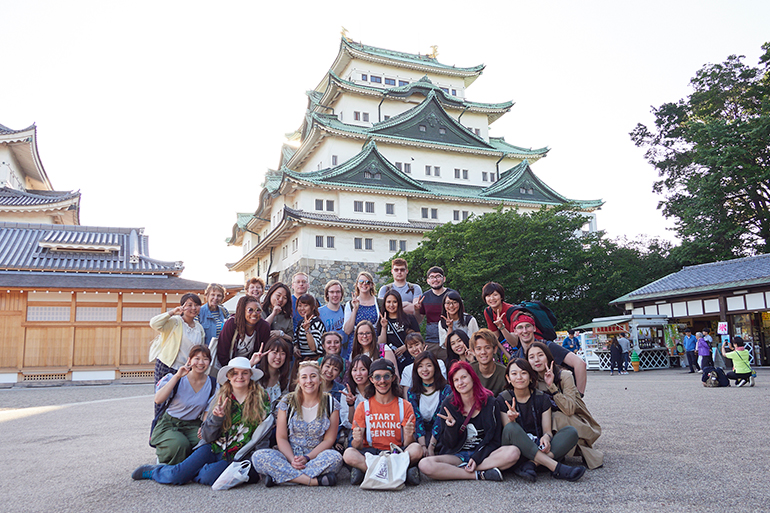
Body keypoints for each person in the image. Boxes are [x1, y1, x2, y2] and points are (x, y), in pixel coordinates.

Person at [132, 357, 271, 485]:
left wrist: (260, 464)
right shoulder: (221, 396)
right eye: (234, 373)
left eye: (244, 373)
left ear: (250, 375)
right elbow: (206, 436)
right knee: (177, 477)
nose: (239, 377)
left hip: (238, 455)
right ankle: (155, 471)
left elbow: (263, 433)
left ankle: (192, 472)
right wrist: (217, 418)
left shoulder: (261, 398)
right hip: (212, 447)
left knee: (208, 477)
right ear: (228, 376)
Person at [418, 361, 518, 482]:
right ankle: (478, 474)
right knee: (424, 464)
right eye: (456, 380)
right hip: (457, 455)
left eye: (464, 377)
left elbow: (494, 439)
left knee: (513, 452)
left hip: (484, 454)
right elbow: (448, 444)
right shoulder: (449, 404)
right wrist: (451, 427)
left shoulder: (490, 402)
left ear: (472, 377)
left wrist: (476, 458)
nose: (460, 383)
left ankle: (464, 470)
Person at [251, 361, 342, 487]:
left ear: (320, 379)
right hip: (289, 456)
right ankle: (314, 481)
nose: (309, 381)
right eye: (304, 377)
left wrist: (307, 457)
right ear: (298, 381)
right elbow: (281, 437)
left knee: (335, 458)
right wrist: (292, 459)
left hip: (315, 457)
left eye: (313, 376)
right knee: (258, 456)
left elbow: (329, 440)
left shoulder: (330, 403)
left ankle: (283, 478)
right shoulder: (287, 402)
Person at [498, 359, 585, 482]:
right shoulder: (503, 399)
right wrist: (511, 420)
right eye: (514, 374)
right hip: (515, 452)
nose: (519, 377)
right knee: (511, 427)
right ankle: (555, 467)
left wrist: (546, 438)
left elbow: (547, 431)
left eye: (523, 373)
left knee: (571, 432)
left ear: (530, 377)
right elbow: (509, 433)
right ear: (508, 378)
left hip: (538, 445)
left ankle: (532, 464)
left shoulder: (541, 398)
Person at [343, 359, 422, 486]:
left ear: (393, 378)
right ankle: (401, 473)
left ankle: (370, 472)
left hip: (396, 453)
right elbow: (356, 446)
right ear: (371, 379)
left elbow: (408, 444)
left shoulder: (405, 406)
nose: (382, 381)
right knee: (348, 454)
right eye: (377, 377)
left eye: (386, 376)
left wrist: (408, 435)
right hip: (371, 453)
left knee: (417, 449)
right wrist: (357, 439)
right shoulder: (363, 407)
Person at [527, 342, 603, 469]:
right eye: (531, 357)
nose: (536, 360)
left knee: (555, 417)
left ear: (548, 356)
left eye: (540, 355)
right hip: (550, 425)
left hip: (576, 421)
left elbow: (569, 409)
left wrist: (552, 387)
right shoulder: (531, 380)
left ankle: (541, 461)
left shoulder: (564, 375)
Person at [151, 345, 218, 465]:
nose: (201, 362)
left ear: (209, 362)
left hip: (192, 424)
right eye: (196, 358)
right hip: (169, 423)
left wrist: (204, 428)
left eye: (205, 359)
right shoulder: (176, 378)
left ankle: (187, 466)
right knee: (180, 444)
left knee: (206, 443)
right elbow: (158, 400)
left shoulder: (212, 384)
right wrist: (177, 376)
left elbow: (207, 412)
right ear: (189, 360)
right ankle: (164, 458)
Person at [149, 293, 206, 414]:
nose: (193, 308)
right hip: (167, 366)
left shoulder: (199, 328)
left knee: (179, 403)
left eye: (196, 305)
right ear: (182, 307)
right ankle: (157, 431)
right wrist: (172, 312)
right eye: (189, 305)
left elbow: (199, 350)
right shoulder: (175, 321)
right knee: (162, 401)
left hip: (186, 371)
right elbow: (154, 323)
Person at [508, 314, 588, 395]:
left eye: (528, 326)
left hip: (558, 400)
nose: (525, 331)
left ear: (534, 328)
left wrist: (578, 395)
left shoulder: (549, 347)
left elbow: (580, 363)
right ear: (515, 331)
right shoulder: (516, 357)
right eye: (520, 327)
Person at [406, 351, 452, 457]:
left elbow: (440, 419)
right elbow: (417, 420)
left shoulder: (446, 390)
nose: (425, 370)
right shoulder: (412, 392)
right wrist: (423, 446)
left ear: (435, 368)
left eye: (429, 365)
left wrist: (431, 446)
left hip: (440, 433)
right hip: (421, 434)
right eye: (420, 366)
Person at [216, 295, 270, 370]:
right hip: (228, 367)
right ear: (243, 311)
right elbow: (222, 352)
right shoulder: (232, 324)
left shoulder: (264, 327)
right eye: (250, 310)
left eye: (258, 310)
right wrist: (231, 371)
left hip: (251, 367)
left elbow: (262, 352)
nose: (254, 313)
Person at [377, 289, 420, 375]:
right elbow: (381, 343)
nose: (391, 305)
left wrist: (406, 346)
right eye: (388, 302)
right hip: (391, 359)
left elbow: (418, 338)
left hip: (409, 357)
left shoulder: (409, 318)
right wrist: (384, 327)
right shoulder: (382, 320)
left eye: (394, 302)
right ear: (384, 304)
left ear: (399, 303)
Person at [414, 266, 453, 361]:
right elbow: (419, 320)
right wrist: (416, 310)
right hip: (431, 340)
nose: (435, 279)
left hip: (449, 340)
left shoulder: (451, 295)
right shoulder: (425, 297)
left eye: (438, 276)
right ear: (428, 281)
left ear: (444, 279)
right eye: (432, 277)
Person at [481, 281, 517, 361]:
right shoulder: (488, 311)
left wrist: (502, 327)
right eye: (488, 296)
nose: (492, 298)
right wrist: (508, 356)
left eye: (495, 295)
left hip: (520, 345)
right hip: (507, 349)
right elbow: (496, 337)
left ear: (501, 297)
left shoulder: (512, 311)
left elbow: (514, 342)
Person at [437, 290, 479, 355]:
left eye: (454, 302)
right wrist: (450, 327)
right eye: (448, 303)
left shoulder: (469, 320)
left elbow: (475, 341)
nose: (451, 306)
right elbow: (446, 345)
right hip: (453, 356)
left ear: (460, 304)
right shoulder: (442, 323)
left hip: (470, 354)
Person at [254, 336, 292, 404]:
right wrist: (251, 363)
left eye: (282, 353)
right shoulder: (255, 372)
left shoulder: (283, 378)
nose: (278, 357)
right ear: (266, 353)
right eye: (274, 352)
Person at [343, 271, 380, 338]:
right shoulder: (350, 304)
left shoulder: (379, 303)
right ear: (357, 284)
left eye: (367, 282)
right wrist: (355, 310)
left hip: (373, 342)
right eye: (361, 281)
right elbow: (347, 331)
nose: (364, 284)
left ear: (371, 285)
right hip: (355, 343)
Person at [318, 279, 349, 359]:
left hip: (345, 355)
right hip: (327, 355)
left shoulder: (346, 310)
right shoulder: (319, 312)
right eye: (332, 292)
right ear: (327, 294)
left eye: (338, 292)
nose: (335, 295)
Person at [470, 329, 507, 396]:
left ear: (495, 349)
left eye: (487, 348)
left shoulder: (504, 373)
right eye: (478, 349)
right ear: (473, 351)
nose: (483, 352)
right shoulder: (468, 370)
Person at [342, 354, 372, 427]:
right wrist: (351, 405)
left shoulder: (378, 391)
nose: (358, 374)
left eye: (363, 369)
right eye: (355, 370)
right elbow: (349, 423)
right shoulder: (346, 392)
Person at [293, 294, 326, 361]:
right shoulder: (300, 323)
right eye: (299, 306)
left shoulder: (316, 323)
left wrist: (307, 330)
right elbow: (295, 340)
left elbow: (314, 348)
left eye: (306, 306)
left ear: (313, 307)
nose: (302, 308)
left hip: (314, 361)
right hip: (302, 360)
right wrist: (295, 348)